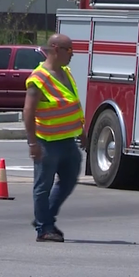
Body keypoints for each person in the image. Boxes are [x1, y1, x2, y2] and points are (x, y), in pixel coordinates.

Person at [23, 33, 87, 242]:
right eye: (69, 51)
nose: (72, 55)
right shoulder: (38, 79)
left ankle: (45, 216)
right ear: (55, 49)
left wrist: (82, 132)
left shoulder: (66, 73)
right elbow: (29, 112)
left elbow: (73, 104)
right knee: (43, 186)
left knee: (69, 179)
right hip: (46, 142)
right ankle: (44, 228)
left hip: (68, 140)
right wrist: (32, 142)